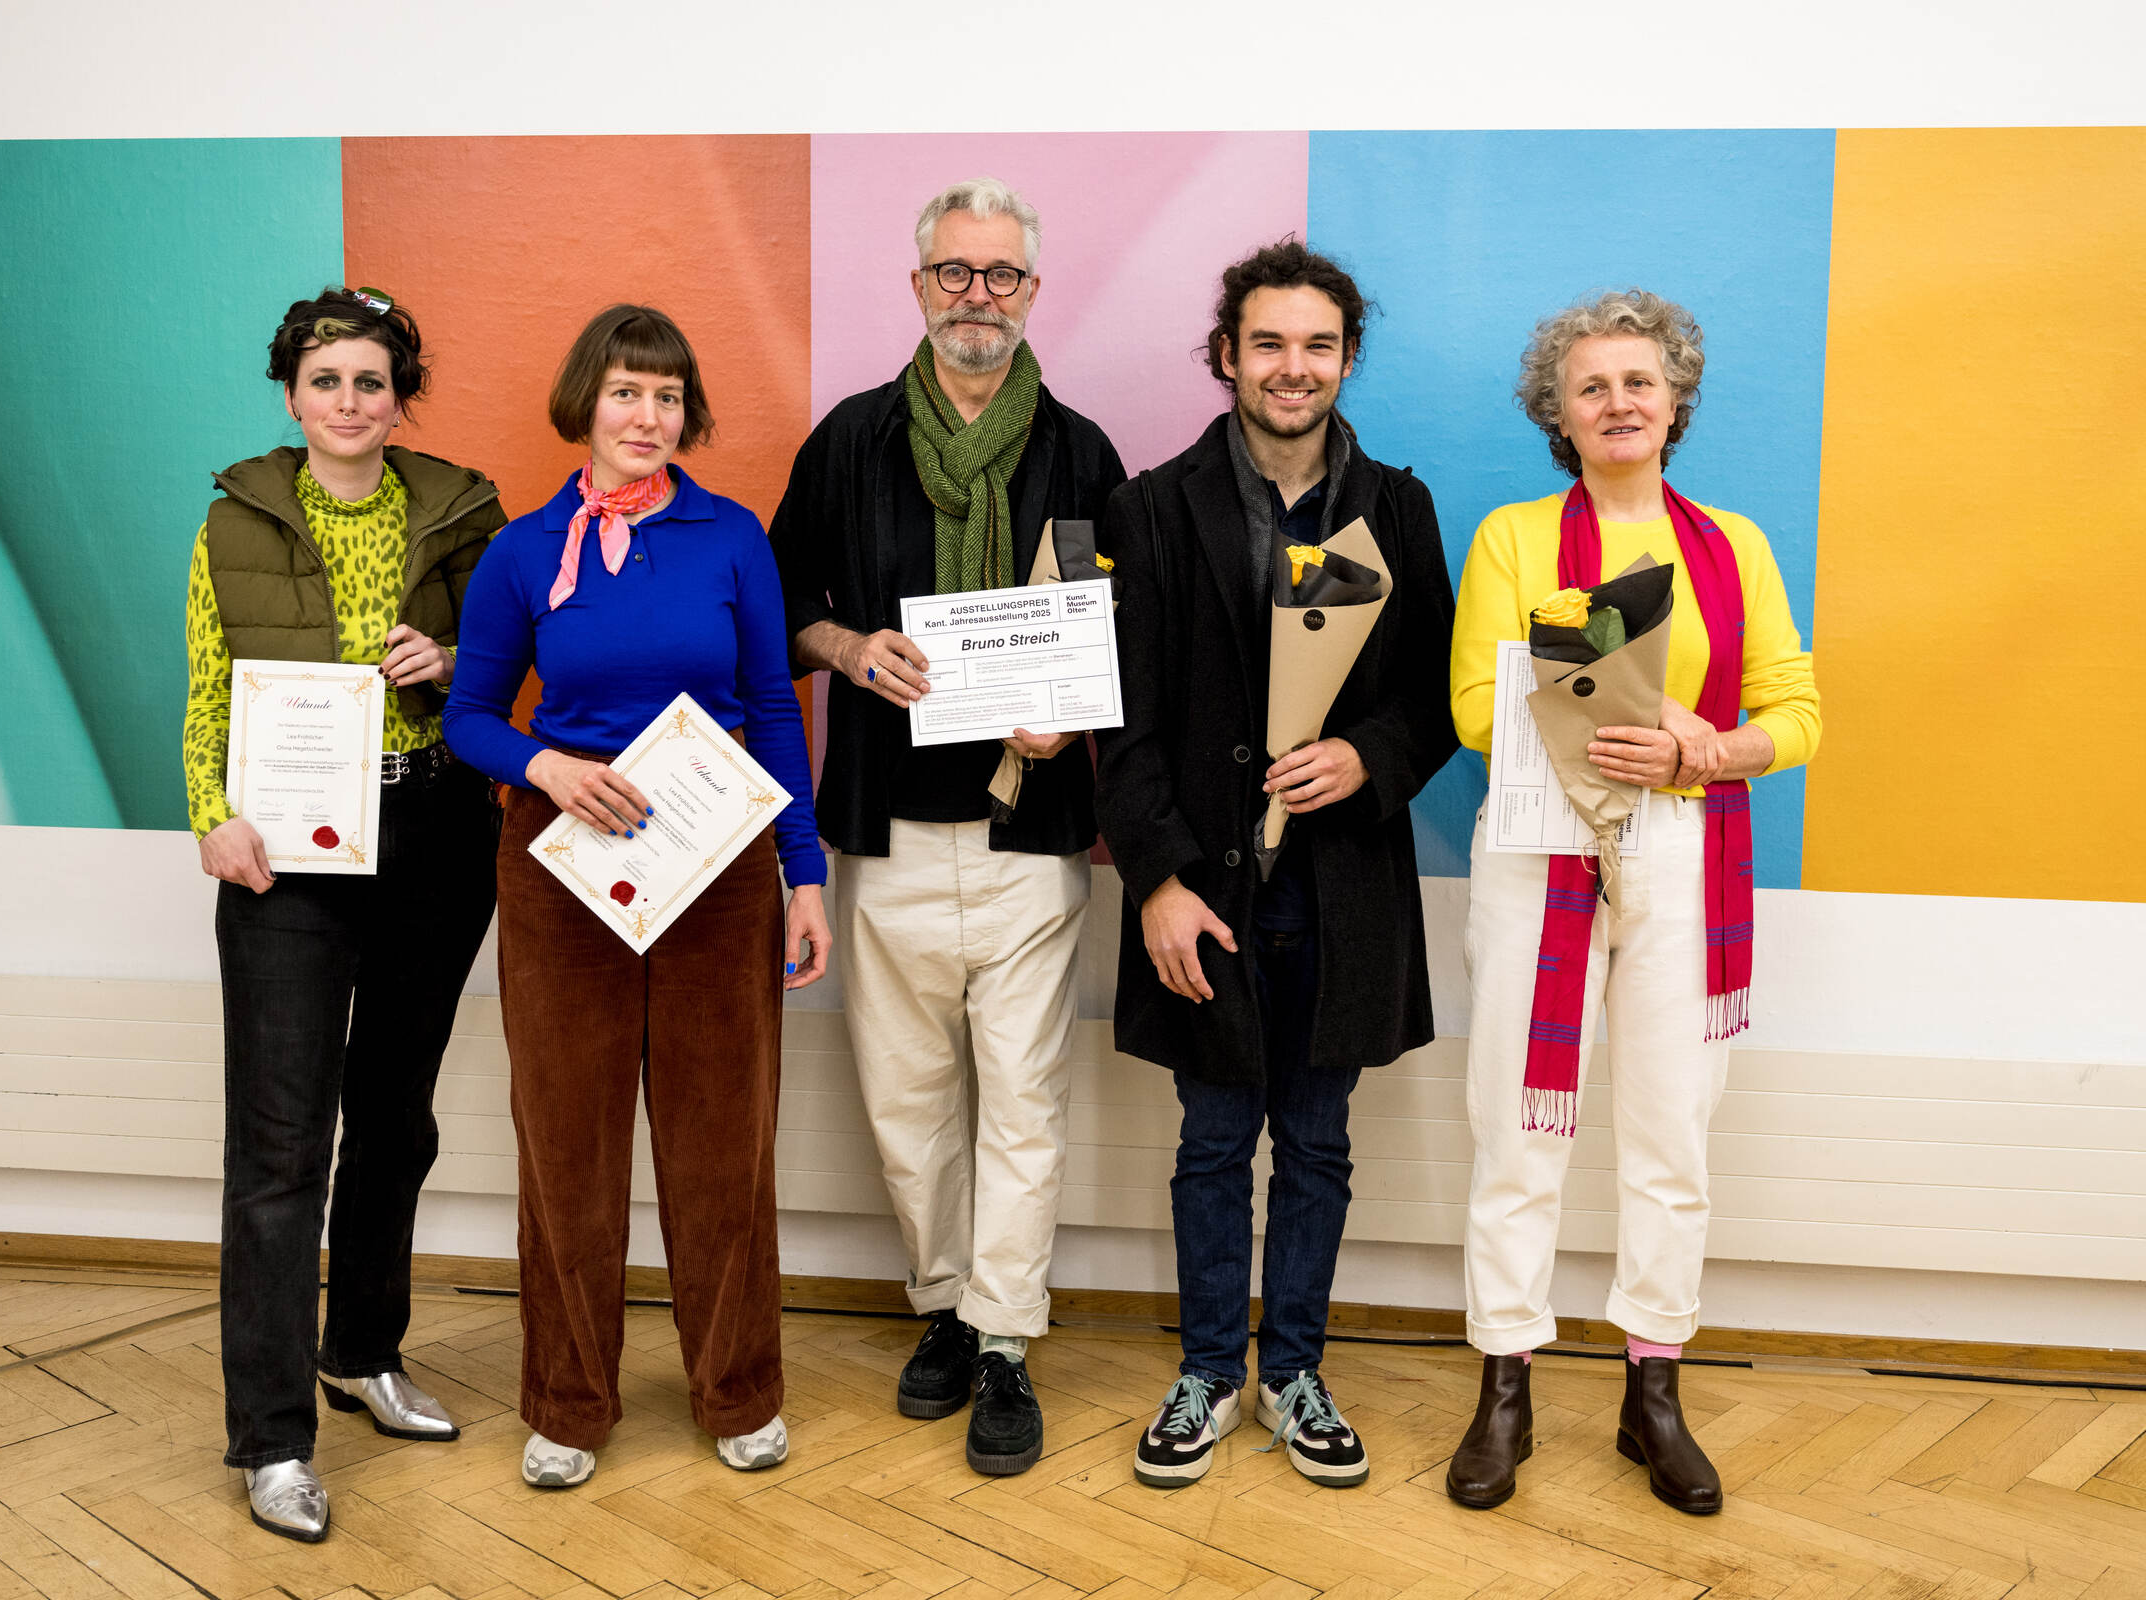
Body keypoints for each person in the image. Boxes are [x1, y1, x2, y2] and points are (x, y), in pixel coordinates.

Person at [1444, 290, 1821, 1516]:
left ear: (1675, 402)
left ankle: (1652, 1389)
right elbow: (1475, 705)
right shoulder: (1511, 538)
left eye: (1640, 382)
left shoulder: (1735, 546)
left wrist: (1703, 753)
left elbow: (1796, 712)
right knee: (1517, 1127)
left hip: (1681, 844)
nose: (1618, 402)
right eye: (1591, 385)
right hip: (1540, 843)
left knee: (1671, 1135)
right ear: (1557, 413)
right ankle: (1505, 1386)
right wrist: (1646, 717)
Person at [768, 177, 1125, 1476]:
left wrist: (1071, 711)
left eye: (1003, 274)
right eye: (957, 273)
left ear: (1033, 290)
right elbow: (782, 612)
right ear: (919, 285)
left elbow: (1116, 627)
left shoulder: (1082, 454)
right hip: (885, 826)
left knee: (1024, 1098)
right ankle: (946, 1308)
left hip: (1031, 827)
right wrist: (849, 649)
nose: (980, 296)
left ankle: (1008, 1338)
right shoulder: (850, 442)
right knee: (907, 1098)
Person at [442, 303, 829, 1491]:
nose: (647, 416)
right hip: (564, 867)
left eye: (667, 396)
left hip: (717, 863)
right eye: (625, 392)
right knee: (567, 1142)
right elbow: (469, 717)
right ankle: (568, 1401)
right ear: (586, 404)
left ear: (686, 413)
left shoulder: (732, 537)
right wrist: (545, 767)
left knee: (725, 1141)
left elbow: (774, 706)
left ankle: (738, 1390)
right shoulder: (523, 552)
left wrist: (804, 874)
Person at [1095, 241, 1458, 1490]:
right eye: (1268, 344)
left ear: (1346, 359)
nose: (1292, 367)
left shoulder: (1397, 505)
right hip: (1204, 883)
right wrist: (1156, 880)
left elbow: (1437, 695)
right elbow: (1123, 722)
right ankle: (1207, 1372)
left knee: (1317, 1142)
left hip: (1342, 881)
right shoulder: (1152, 506)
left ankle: (1294, 1371)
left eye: (1317, 345)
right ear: (1227, 355)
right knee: (1210, 1142)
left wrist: (1366, 756)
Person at [185, 286, 507, 1542]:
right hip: (287, 854)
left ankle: (360, 1351)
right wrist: (210, 813)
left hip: (432, 835)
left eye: (372, 381)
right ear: (291, 395)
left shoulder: (466, 510)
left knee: (394, 1121)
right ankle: (271, 1438)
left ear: (400, 396)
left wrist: (454, 663)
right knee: (279, 1150)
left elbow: (509, 662)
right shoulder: (234, 518)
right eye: (326, 381)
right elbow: (206, 681)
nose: (349, 402)